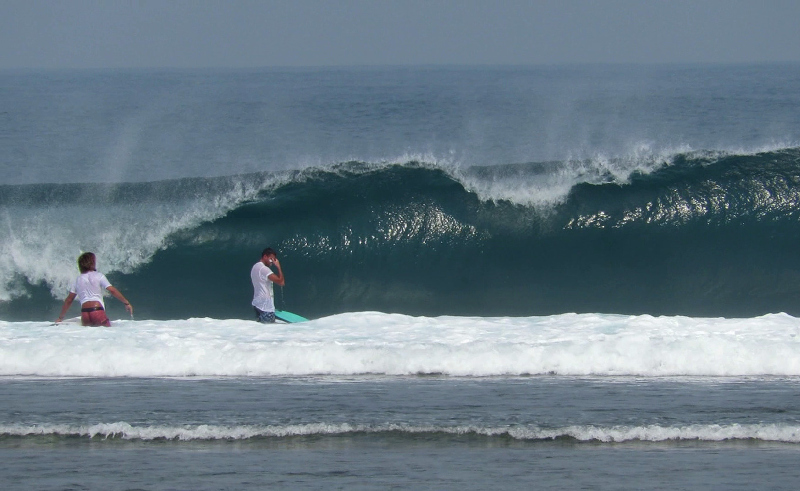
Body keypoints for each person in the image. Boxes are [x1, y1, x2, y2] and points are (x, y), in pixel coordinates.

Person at [56, 252, 133, 326]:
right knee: (107, 335)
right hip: (97, 310)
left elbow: (69, 300)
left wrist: (60, 318)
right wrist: (126, 303)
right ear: (92, 263)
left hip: (85, 313)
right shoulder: (99, 276)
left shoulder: (78, 279)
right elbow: (112, 290)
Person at [251, 247, 285, 323]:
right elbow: (281, 282)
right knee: (269, 333)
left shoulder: (255, 267)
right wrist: (279, 267)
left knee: (262, 330)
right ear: (265, 256)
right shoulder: (264, 269)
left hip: (257, 305)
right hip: (266, 308)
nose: (272, 262)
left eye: (273, 259)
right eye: (271, 259)